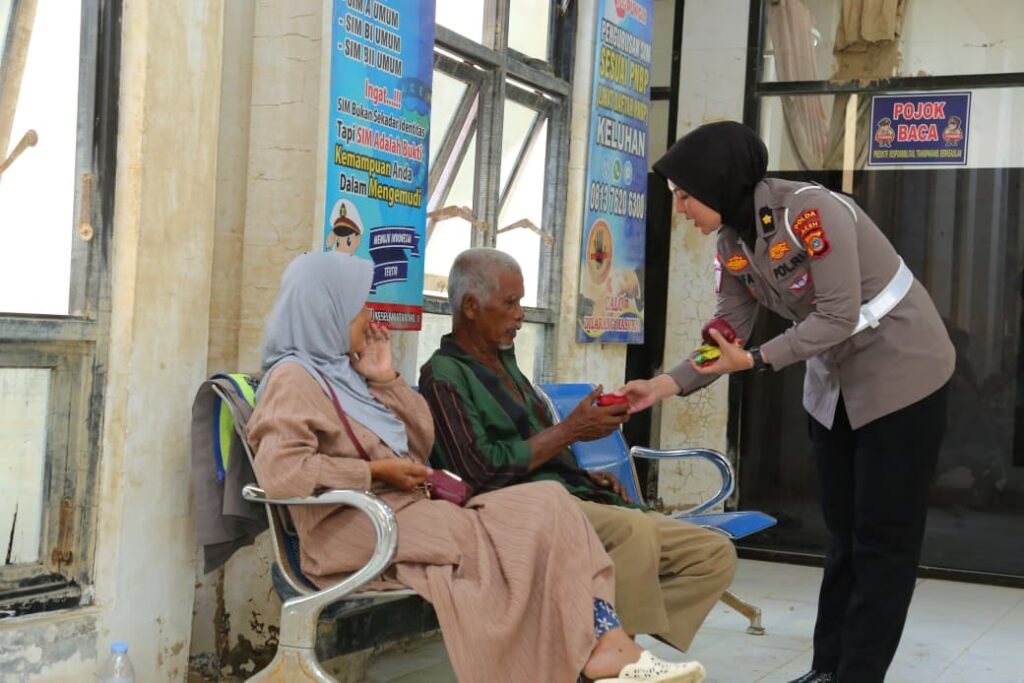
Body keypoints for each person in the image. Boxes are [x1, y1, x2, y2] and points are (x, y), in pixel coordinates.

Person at [246, 251, 706, 683]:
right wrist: (375, 474)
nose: (368, 318)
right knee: (519, 541)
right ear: (325, 312)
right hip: (354, 527)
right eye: (357, 307)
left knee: (550, 502)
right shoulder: (293, 380)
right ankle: (582, 658)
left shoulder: (343, 374)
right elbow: (282, 474)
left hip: (404, 511)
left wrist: (386, 379)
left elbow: (419, 441)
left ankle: (607, 644)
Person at [620, 121, 955, 683]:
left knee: (883, 538)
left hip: (903, 374)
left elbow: (838, 315)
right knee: (843, 534)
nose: (680, 208)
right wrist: (663, 385)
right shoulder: (732, 243)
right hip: (834, 386)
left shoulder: (809, 213)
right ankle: (827, 670)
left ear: (716, 180)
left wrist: (754, 360)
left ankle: (858, 675)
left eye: (684, 195)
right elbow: (728, 329)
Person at [418, 247, 737, 657]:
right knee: (632, 532)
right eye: (510, 303)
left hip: (566, 496)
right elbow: (479, 472)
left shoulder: (505, 364)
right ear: (470, 307)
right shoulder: (443, 375)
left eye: (521, 302)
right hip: (512, 511)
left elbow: (533, 446)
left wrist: (583, 476)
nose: (520, 315)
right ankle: (615, 659)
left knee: (712, 553)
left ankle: (593, 644)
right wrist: (571, 430)